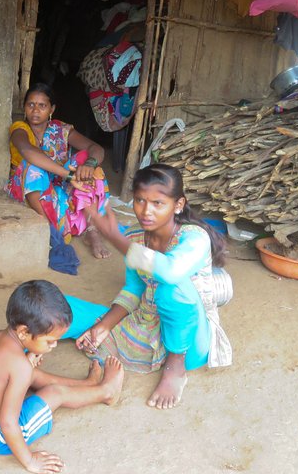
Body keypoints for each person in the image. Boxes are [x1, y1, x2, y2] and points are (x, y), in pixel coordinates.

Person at [61, 163, 232, 409]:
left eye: (157, 203)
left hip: (190, 341)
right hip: (144, 322)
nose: (146, 211)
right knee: (54, 305)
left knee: (170, 289)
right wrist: (104, 326)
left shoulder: (194, 238)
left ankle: (175, 369)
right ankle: (25, 350)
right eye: (140, 201)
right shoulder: (136, 238)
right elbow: (133, 290)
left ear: (179, 205)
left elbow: (170, 272)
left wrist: (116, 240)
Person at [0, 280, 124, 473]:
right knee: (55, 393)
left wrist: (26, 362)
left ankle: (87, 383)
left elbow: (4, 369)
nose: (54, 346)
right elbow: (8, 424)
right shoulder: (20, 366)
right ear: (24, 332)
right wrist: (30, 461)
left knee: (29, 372)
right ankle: (105, 392)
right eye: (50, 341)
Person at [6, 83, 111, 260]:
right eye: (31, 104)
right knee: (33, 168)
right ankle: (52, 231)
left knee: (90, 165)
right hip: (32, 190)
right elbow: (27, 151)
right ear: (24, 107)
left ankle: (92, 231)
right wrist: (68, 175)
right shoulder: (19, 129)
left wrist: (89, 164)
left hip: (61, 188)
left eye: (42, 105)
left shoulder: (61, 129)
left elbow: (96, 149)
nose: (35, 110)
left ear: (51, 109)